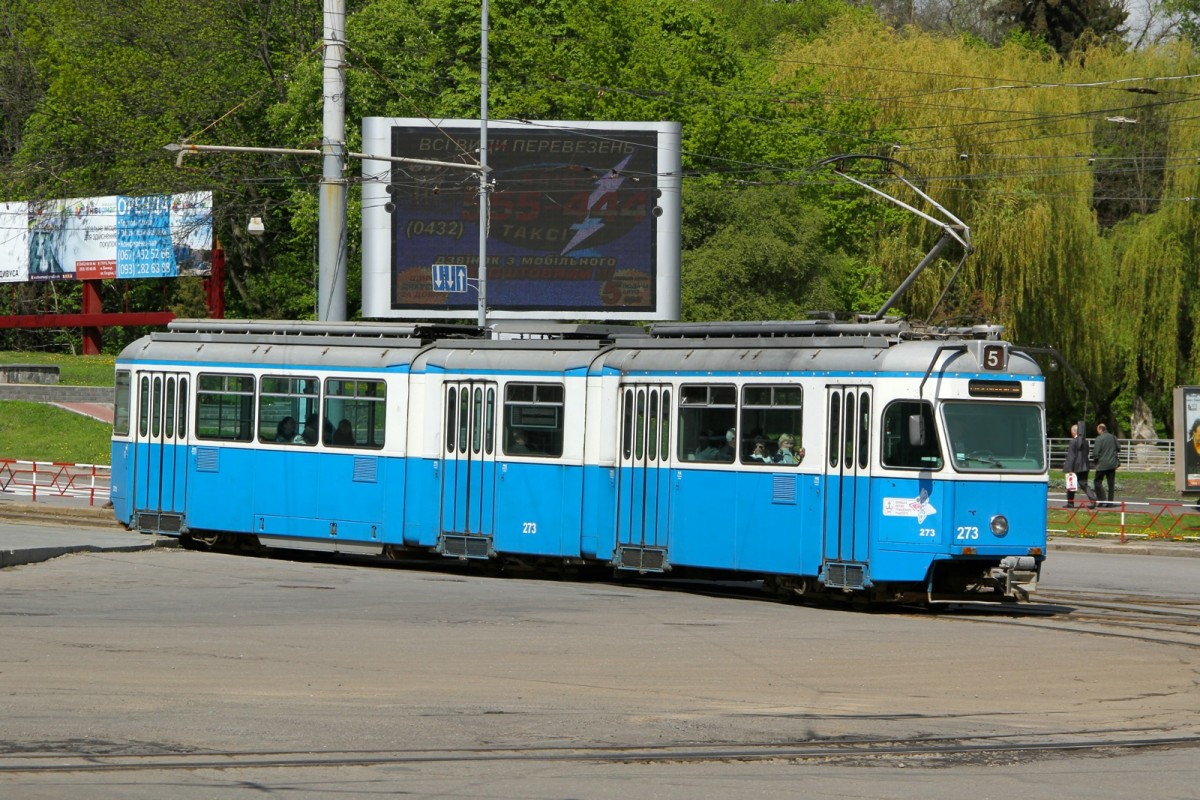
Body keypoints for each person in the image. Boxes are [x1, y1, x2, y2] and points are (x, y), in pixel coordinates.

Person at [1063, 422, 1093, 508]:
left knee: (1071, 484)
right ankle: (1093, 499)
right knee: (1084, 484)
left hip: (1075, 466)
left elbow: (1071, 456)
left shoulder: (1073, 442)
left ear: (1074, 432)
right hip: (1085, 465)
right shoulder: (1085, 442)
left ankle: (1070, 502)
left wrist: (1069, 469)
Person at [1091, 422, 1119, 507]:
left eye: (1097, 430)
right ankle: (1110, 503)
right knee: (1111, 484)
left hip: (1102, 465)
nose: (1097, 431)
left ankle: (1101, 499)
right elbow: (1118, 448)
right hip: (1112, 464)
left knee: (1097, 482)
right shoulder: (1113, 437)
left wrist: (1095, 460)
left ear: (1100, 429)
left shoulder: (1099, 438)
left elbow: (1095, 453)